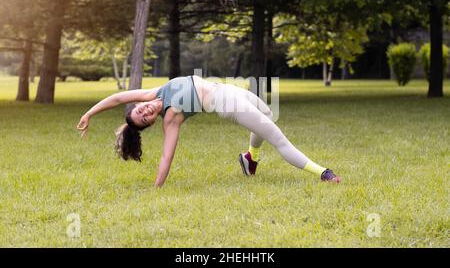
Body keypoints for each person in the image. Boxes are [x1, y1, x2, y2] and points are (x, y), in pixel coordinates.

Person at [77, 75, 341, 187]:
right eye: (144, 118)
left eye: (139, 110)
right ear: (152, 123)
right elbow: (166, 157)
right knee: (277, 137)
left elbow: (116, 98)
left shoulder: (153, 92)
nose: (145, 112)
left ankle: (249, 158)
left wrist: (89, 113)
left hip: (230, 90)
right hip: (229, 105)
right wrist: (157, 186)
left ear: (139, 105)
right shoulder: (171, 119)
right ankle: (323, 173)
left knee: (269, 114)